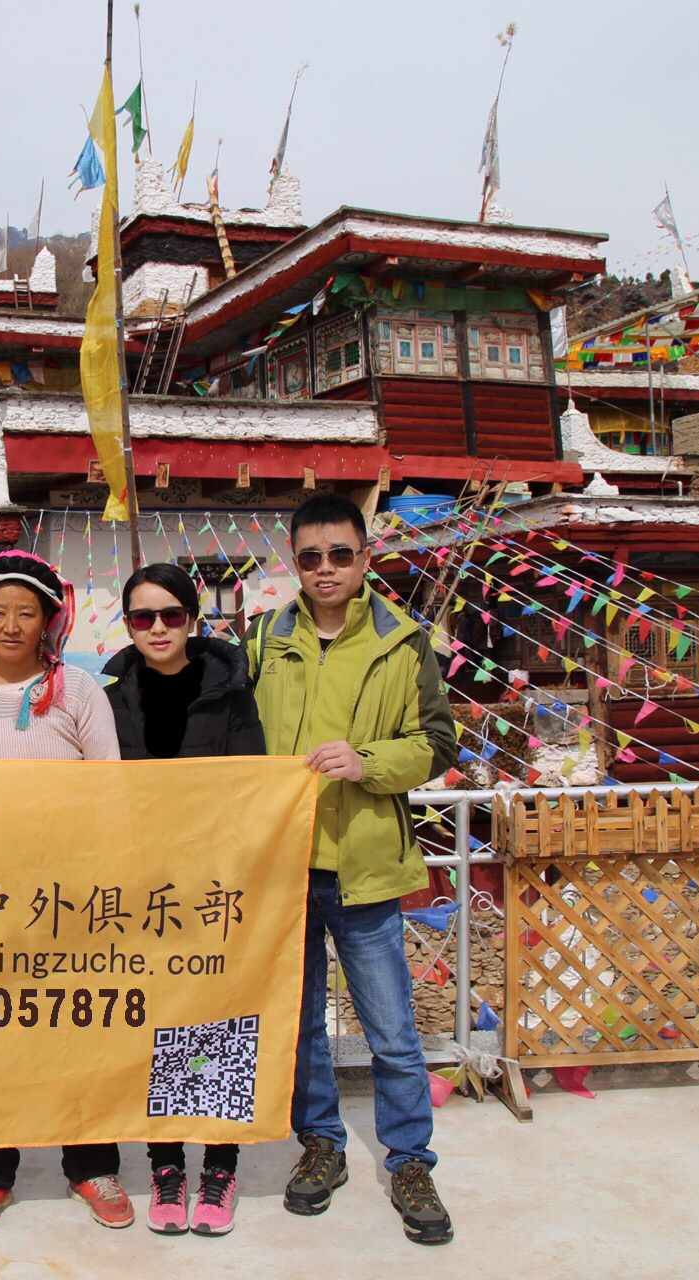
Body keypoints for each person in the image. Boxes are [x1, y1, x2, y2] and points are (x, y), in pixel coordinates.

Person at [246, 491, 459, 1246]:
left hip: (364, 863)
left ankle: (410, 1161)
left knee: (392, 1029)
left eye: (341, 553)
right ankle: (323, 1146)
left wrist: (367, 762)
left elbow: (437, 743)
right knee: (303, 1025)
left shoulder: (404, 642)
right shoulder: (263, 639)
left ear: (365, 558)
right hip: (285, 866)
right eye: (311, 556)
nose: (326, 568)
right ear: (294, 562)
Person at [0, 549, 130, 1236]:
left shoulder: (78, 690)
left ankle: (92, 1165)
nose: (12, 625)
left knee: (81, 1026)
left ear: (48, 620)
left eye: (26, 612)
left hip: (67, 890)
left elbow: (109, 783)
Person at [101, 563, 266, 1238]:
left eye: (171, 615)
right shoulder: (111, 697)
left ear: (193, 620)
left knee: (218, 1021)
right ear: (128, 625)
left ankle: (219, 1167)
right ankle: (165, 1164)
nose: (159, 628)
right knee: (156, 1024)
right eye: (143, 617)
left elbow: (253, 787)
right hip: (143, 889)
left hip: (216, 885)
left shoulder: (231, 693)